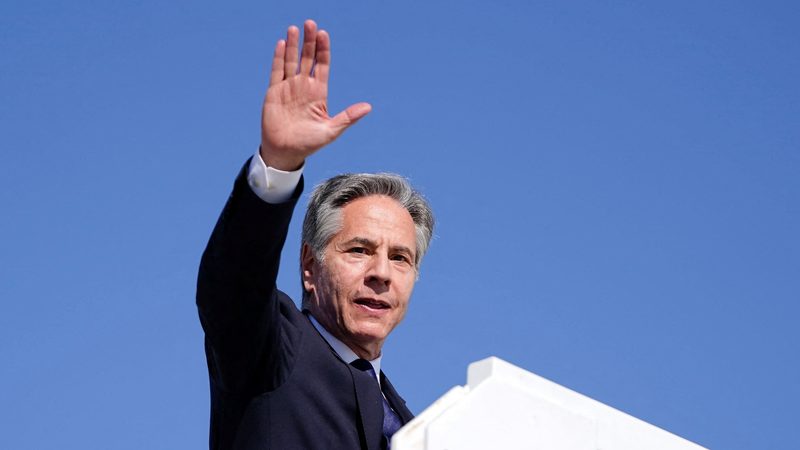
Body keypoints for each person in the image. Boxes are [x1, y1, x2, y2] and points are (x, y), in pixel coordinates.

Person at [196, 19, 435, 450]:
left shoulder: (416, 427)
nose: (381, 273)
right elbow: (234, 281)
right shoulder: (270, 349)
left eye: (401, 258)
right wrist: (279, 163)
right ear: (310, 266)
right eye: (360, 250)